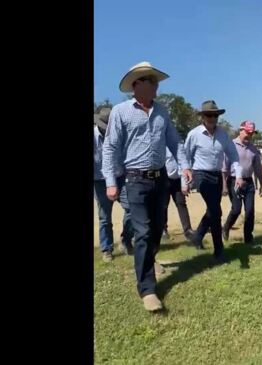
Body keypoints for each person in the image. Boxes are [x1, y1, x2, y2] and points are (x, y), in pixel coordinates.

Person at [102, 61, 191, 312]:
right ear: (136, 85)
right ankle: (147, 289)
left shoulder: (162, 111)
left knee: (155, 232)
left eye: (156, 81)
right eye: (151, 81)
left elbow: (174, 141)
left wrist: (184, 166)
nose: (156, 85)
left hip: (160, 178)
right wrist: (110, 182)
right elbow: (110, 148)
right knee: (142, 232)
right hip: (135, 179)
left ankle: (149, 262)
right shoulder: (121, 111)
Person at [184, 100, 242, 263]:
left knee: (213, 210)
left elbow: (233, 155)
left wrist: (238, 175)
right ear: (202, 116)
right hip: (200, 175)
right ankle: (219, 250)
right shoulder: (194, 134)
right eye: (208, 115)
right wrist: (184, 181)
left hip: (217, 177)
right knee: (216, 212)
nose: (212, 118)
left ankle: (198, 236)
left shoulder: (223, 134)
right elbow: (185, 157)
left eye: (215, 115)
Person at [93, 107, 134, 262]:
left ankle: (125, 239)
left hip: (120, 177)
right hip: (100, 180)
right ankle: (106, 249)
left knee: (131, 208)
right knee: (104, 217)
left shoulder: (120, 134)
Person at [222, 121, 262, 245]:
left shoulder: (253, 148)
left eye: (251, 133)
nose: (249, 135)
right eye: (247, 132)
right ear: (240, 130)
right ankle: (226, 227)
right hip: (233, 181)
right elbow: (224, 168)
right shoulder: (231, 145)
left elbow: (257, 168)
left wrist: (261, 184)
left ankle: (248, 237)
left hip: (249, 182)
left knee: (250, 210)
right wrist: (224, 186)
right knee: (236, 209)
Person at [162, 146, 195, 242]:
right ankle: (163, 229)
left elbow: (184, 166)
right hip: (164, 179)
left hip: (178, 180)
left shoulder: (180, 148)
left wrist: (184, 184)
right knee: (163, 206)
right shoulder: (161, 146)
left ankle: (188, 230)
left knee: (181, 204)